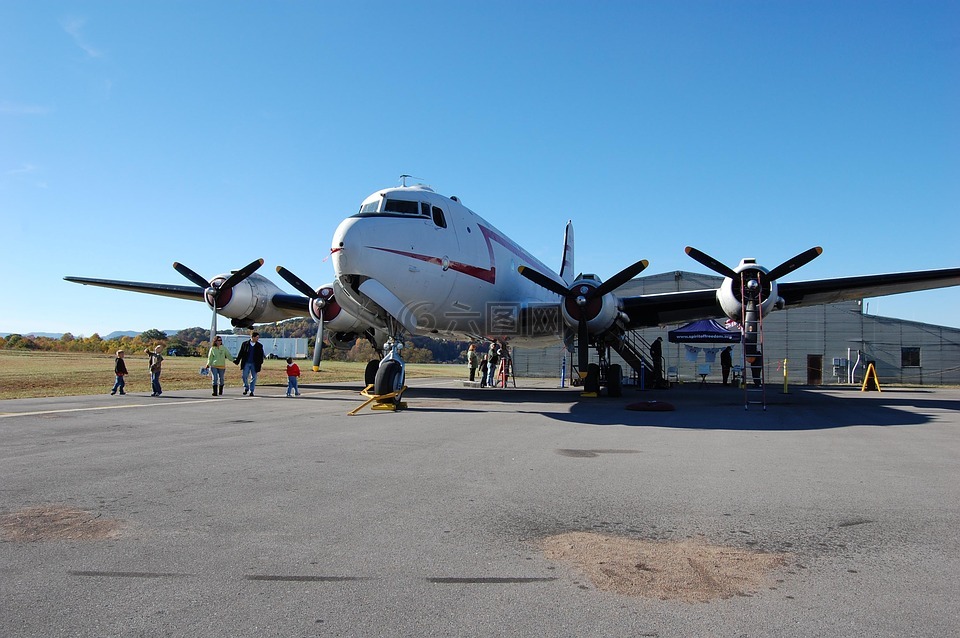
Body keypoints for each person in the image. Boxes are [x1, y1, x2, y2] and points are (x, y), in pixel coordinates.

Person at [234, 331, 265, 396]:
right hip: (246, 363)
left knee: (254, 377)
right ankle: (246, 387)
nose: (258, 339)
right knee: (244, 376)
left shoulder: (259, 346)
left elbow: (261, 355)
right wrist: (237, 360)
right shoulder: (245, 344)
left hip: (254, 364)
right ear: (252, 337)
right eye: (257, 337)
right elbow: (241, 353)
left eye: (258, 337)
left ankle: (251, 390)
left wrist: (260, 362)